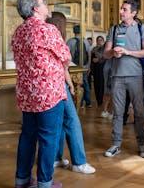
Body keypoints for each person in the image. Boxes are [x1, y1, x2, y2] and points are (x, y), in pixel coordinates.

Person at [11, 0, 69, 188]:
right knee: (48, 138)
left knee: (27, 136)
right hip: (48, 94)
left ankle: (22, 180)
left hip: (27, 94)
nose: (46, 5)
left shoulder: (18, 32)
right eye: (44, 2)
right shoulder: (48, 30)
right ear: (36, 8)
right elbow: (66, 55)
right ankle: (45, 183)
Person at [46, 13, 96, 175]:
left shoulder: (44, 37)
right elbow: (65, 65)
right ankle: (79, 162)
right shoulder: (58, 40)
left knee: (60, 122)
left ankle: (56, 158)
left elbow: (62, 67)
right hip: (58, 85)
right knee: (72, 121)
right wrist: (68, 84)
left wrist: (69, 84)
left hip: (50, 85)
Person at [102, 0, 144, 158]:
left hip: (136, 76)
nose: (121, 12)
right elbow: (105, 54)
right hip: (117, 76)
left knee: (138, 111)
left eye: (124, 9)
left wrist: (128, 52)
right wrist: (113, 53)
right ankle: (116, 144)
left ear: (133, 13)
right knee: (117, 112)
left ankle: (141, 144)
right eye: (121, 9)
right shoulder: (114, 29)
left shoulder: (142, 28)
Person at [66, 25, 92, 108]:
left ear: (74, 32)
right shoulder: (85, 41)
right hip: (84, 65)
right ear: (81, 31)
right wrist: (89, 66)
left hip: (74, 67)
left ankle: (78, 103)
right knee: (85, 84)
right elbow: (89, 55)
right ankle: (89, 103)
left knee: (74, 84)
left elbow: (67, 54)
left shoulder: (70, 41)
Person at [91, 35, 106, 107]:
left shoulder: (106, 49)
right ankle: (98, 101)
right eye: (98, 40)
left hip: (103, 68)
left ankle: (103, 101)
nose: (99, 41)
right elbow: (91, 59)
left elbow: (106, 58)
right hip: (96, 69)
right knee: (96, 85)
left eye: (101, 40)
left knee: (102, 85)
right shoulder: (94, 49)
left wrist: (99, 59)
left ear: (103, 41)